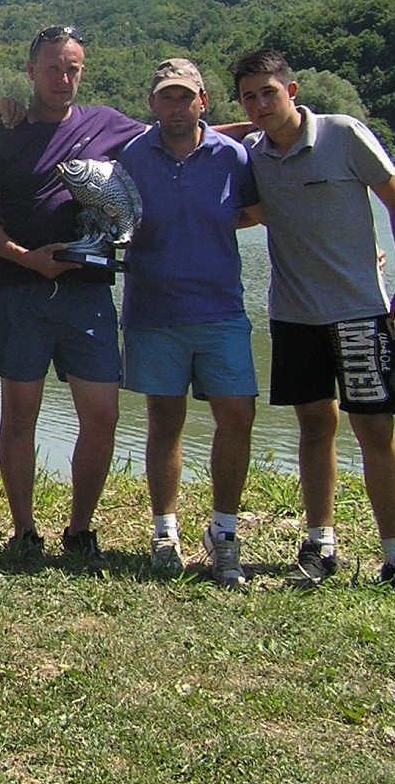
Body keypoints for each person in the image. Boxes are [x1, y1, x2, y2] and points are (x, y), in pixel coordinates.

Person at [230, 48, 395, 596]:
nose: (260, 104)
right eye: (249, 97)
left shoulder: (343, 134)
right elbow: (211, 151)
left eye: (269, 92)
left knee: (375, 431)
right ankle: (319, 545)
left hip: (359, 312)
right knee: (315, 428)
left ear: (291, 91)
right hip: (294, 317)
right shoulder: (253, 155)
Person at [0, 24, 145, 565]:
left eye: (72, 69)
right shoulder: (3, 133)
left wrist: (259, 126)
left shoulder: (106, 123)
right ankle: (24, 531)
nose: (62, 79)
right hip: (20, 289)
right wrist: (28, 258)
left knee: (103, 414)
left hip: (88, 293)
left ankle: (81, 529)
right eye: (52, 69)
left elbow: (176, 136)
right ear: (31, 71)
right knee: (20, 412)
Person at [117, 58, 259, 588]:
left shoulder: (233, 156)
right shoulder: (131, 156)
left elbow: (259, 210)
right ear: (152, 104)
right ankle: (164, 531)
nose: (176, 107)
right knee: (164, 420)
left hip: (221, 309)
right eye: (166, 97)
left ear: (204, 101)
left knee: (237, 415)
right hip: (154, 312)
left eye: (185, 97)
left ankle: (224, 531)